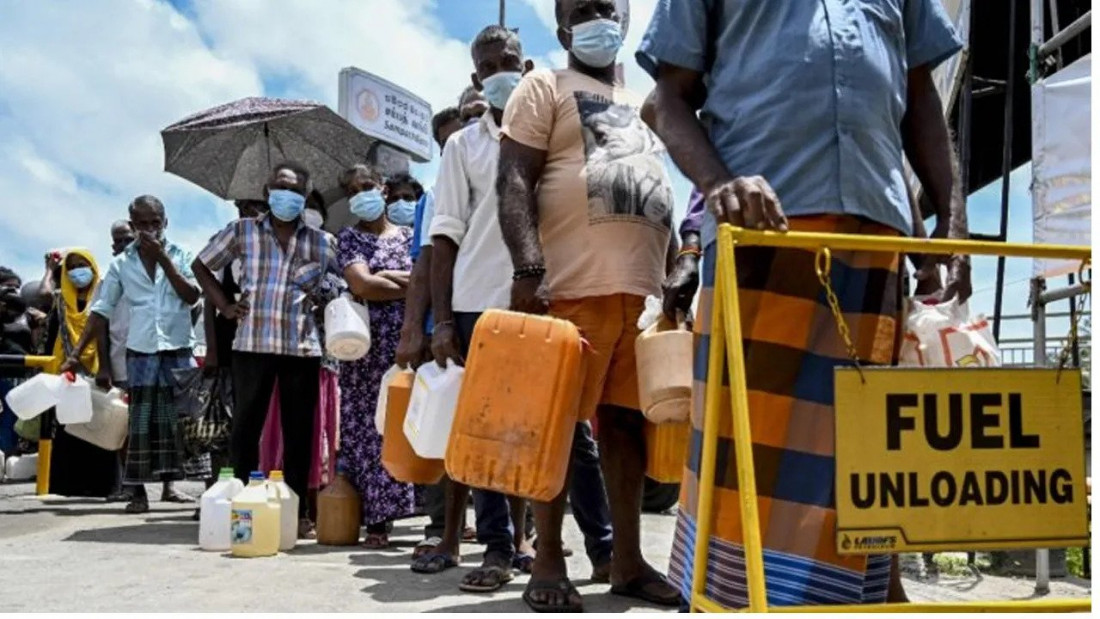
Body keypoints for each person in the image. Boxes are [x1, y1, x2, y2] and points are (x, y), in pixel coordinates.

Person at [637, 0, 970, 608]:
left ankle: (864, 599)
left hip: (875, 240)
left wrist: (950, 222)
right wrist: (719, 185)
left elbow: (919, 97)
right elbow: (664, 101)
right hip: (764, 237)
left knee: (867, 454)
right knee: (750, 457)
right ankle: (739, 603)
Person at [497, 0, 680, 610]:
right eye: (582, 8)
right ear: (562, 27)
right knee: (556, 428)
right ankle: (547, 562)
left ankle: (626, 563)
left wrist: (675, 262)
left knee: (626, 427)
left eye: (607, 6)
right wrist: (528, 267)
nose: (597, 15)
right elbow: (515, 178)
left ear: (624, 21)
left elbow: (654, 179)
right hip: (571, 286)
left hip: (642, 297)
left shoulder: (647, 100)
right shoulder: (541, 86)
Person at [194, 163, 337, 538]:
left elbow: (335, 290)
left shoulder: (321, 242)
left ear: (304, 198)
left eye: (294, 191)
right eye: (279, 187)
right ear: (267, 190)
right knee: (245, 429)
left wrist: (325, 301)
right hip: (252, 342)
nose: (286, 195)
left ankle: (296, 513)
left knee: (298, 433)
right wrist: (225, 306)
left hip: (300, 345)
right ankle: (239, 509)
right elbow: (202, 265)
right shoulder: (242, 232)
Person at [63, 196, 206, 512]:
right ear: (133, 225)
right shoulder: (121, 264)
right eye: (141, 224)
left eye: (154, 222)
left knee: (191, 423)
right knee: (139, 425)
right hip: (140, 353)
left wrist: (164, 260)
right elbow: (101, 311)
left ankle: (204, 497)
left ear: (165, 222)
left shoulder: (181, 254)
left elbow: (192, 295)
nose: (149, 229)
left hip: (178, 348)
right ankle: (137, 493)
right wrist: (76, 354)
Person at [399, 105, 469, 560]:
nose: (453, 149)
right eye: (444, 145)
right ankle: (442, 524)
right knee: (441, 426)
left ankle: (508, 529)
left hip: (487, 313)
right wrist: (414, 328)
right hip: (441, 325)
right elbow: (424, 263)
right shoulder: (432, 197)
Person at [335, 163, 417, 548]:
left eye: (367, 185)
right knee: (369, 431)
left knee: (410, 423)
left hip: (407, 342)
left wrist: (383, 280)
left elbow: (427, 281)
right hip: (364, 350)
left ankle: (426, 515)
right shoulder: (348, 238)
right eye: (353, 190)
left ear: (383, 188)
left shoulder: (411, 235)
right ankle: (378, 521)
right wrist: (406, 282)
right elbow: (362, 284)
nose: (362, 193)